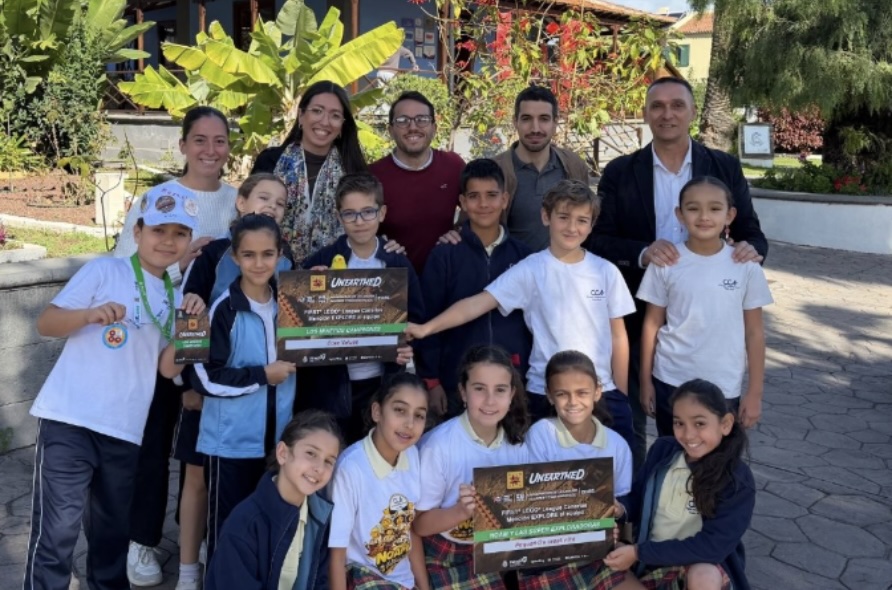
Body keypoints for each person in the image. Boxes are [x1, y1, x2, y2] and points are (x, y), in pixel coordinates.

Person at [24, 184, 204, 590]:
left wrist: (193, 329)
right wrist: (88, 315)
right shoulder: (104, 271)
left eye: (179, 233)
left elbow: (166, 369)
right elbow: (46, 323)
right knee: (56, 534)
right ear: (137, 232)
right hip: (69, 419)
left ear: (188, 241)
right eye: (158, 230)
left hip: (125, 430)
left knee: (111, 538)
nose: (168, 241)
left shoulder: (177, 298)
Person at [588, 76, 768, 469]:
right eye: (657, 106)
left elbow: (751, 232)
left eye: (677, 105)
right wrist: (643, 253)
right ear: (645, 113)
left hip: (705, 324)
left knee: (709, 429)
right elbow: (598, 238)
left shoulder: (722, 166)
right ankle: (640, 492)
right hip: (637, 310)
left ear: (692, 112)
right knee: (635, 414)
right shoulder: (621, 171)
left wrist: (750, 251)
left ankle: (708, 494)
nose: (666, 114)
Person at [407, 180, 637, 446]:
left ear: (592, 224)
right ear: (545, 216)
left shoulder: (606, 271)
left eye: (582, 220)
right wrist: (425, 328)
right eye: (563, 217)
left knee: (614, 466)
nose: (572, 227)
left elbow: (618, 336)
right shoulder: (530, 269)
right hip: (544, 392)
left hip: (600, 391)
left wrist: (620, 392)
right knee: (546, 469)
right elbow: (476, 304)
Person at [115, 106, 238, 588]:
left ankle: (199, 535)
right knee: (152, 442)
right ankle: (141, 539)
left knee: (199, 450)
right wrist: (179, 260)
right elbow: (124, 264)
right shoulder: (159, 198)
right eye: (200, 140)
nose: (210, 150)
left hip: (211, 348)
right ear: (183, 145)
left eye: (219, 140)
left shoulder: (237, 202)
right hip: (157, 339)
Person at [173, 173, 293, 590]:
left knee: (259, 529)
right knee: (224, 528)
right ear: (236, 257)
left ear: (280, 256)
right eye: (249, 255)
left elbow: (325, 339)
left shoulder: (289, 303)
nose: (259, 263)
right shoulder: (221, 303)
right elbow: (203, 372)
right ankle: (198, 577)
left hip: (274, 439)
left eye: (268, 255)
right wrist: (262, 375)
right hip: (229, 438)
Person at [637, 176, 772, 436]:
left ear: (730, 215)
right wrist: (646, 382)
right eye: (693, 208)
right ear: (679, 214)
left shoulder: (746, 266)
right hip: (670, 379)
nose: (704, 217)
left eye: (714, 208)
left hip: (723, 383)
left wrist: (755, 393)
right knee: (673, 451)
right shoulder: (665, 263)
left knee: (718, 456)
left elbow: (754, 332)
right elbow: (652, 324)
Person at [299, 172, 423, 444]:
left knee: (374, 448)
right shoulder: (322, 261)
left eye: (368, 212)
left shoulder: (396, 263)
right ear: (338, 216)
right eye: (350, 214)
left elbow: (416, 317)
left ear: (382, 213)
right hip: (332, 385)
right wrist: (309, 289)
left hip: (382, 380)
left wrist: (405, 343)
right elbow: (299, 326)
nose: (359, 221)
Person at [603, 379, 755, 590]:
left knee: (704, 575)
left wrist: (638, 552)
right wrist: (621, 509)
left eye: (699, 424)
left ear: (726, 424)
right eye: (679, 423)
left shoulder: (737, 479)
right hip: (646, 562)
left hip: (694, 564)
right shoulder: (663, 450)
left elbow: (712, 547)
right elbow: (637, 496)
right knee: (600, 562)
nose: (688, 434)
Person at [417, 158, 532, 419]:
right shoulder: (445, 255)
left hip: (512, 377)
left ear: (505, 199)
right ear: (462, 202)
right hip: (456, 379)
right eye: (474, 196)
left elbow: (533, 323)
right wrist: (431, 381)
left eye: (491, 195)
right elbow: (429, 318)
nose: (483, 204)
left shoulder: (525, 257)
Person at [413, 345, 530, 590]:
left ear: (511, 394)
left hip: (497, 545)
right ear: (463, 392)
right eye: (479, 389)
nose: (490, 400)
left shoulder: (518, 443)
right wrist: (459, 512)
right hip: (447, 551)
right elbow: (419, 525)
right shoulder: (438, 447)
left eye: (500, 390)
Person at [521, 350, 632, 590]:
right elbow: (532, 503)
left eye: (582, 393)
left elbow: (625, 502)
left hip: (600, 550)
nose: (573, 402)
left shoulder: (617, 445)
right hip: (547, 554)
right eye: (562, 394)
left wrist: (618, 511)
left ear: (597, 391)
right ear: (549, 396)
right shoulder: (541, 435)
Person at [205, 410, 342, 590]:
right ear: (283, 453)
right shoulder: (244, 525)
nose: (319, 468)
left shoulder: (319, 517)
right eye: (311, 453)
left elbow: (320, 582)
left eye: (329, 461)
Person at [328, 373, 431, 590]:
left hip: (402, 579)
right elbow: (336, 554)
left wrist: (424, 587)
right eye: (400, 410)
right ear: (377, 412)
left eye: (419, 415)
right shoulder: (351, 468)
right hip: (363, 575)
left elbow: (409, 531)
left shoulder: (412, 455)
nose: (409, 424)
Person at [252, 80, 368, 262]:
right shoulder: (270, 161)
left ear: (342, 125)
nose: (325, 121)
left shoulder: (354, 170)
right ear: (301, 115)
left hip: (336, 271)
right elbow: (250, 219)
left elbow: (366, 223)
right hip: (271, 269)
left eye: (335, 115)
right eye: (317, 111)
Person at [369, 91, 465, 273]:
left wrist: (461, 231)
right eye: (402, 120)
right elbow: (359, 226)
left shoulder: (453, 166)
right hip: (393, 278)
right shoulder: (373, 175)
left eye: (422, 119)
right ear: (390, 130)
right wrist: (379, 244)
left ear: (434, 128)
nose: (412, 127)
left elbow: (478, 208)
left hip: (445, 276)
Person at [491, 85, 590, 251]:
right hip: (512, 266)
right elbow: (471, 228)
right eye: (526, 119)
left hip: (564, 266)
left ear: (555, 123)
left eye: (544, 119)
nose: (535, 128)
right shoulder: (495, 170)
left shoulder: (573, 165)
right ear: (515, 122)